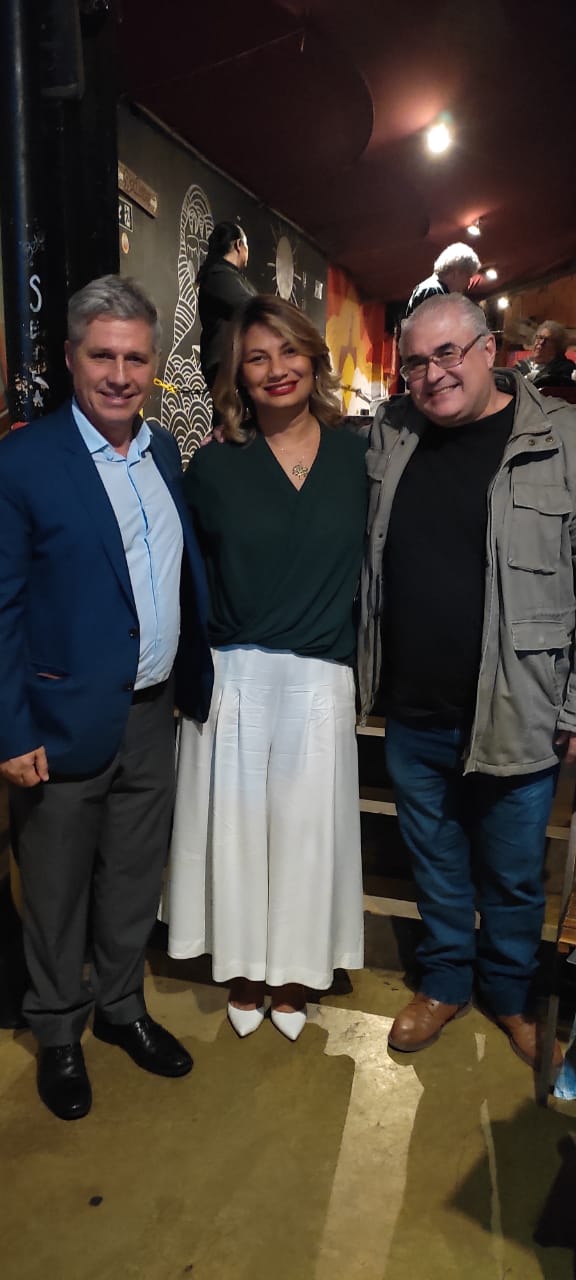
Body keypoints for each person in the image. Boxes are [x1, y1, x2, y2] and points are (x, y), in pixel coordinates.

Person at [0, 275, 213, 1120]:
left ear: (153, 364)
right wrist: (10, 729)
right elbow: (3, 607)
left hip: (152, 713)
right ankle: (58, 1029)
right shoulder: (23, 461)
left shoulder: (162, 451)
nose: (120, 376)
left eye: (135, 358)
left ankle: (122, 1007)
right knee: (54, 889)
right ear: (70, 358)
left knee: (131, 877)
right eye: (103, 357)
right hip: (57, 720)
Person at [357, 291, 576, 1070]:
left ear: (491, 351)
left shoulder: (562, 438)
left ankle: (511, 995)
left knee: (513, 874)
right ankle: (445, 981)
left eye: (448, 353)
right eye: (416, 362)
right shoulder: (391, 432)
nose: (433, 374)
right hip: (415, 705)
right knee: (436, 860)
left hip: (519, 703)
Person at [164, 295, 367, 1040]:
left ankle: (295, 973)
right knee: (239, 834)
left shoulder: (360, 457)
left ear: (313, 357)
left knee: (308, 838)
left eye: (288, 351)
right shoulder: (215, 465)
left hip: (319, 674)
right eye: (257, 358)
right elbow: (184, 573)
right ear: (238, 378)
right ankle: (245, 968)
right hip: (237, 674)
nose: (276, 369)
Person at [197, 220, 256, 392]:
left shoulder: (227, 275)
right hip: (227, 367)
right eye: (246, 245)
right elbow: (251, 307)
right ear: (239, 245)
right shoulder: (218, 275)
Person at [405, 243, 481, 317]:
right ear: (456, 272)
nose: (468, 283)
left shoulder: (435, 290)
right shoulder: (433, 291)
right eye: (468, 276)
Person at [516, 320, 576, 389]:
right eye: (540, 337)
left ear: (557, 346)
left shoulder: (565, 370)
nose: (541, 342)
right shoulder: (521, 366)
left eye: (547, 340)